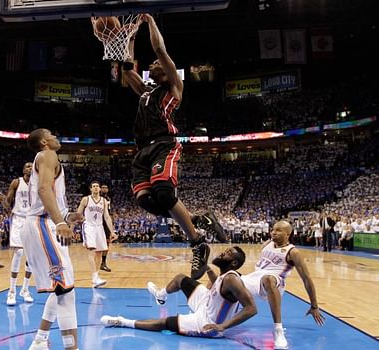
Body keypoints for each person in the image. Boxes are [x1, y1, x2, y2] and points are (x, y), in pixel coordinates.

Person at [122, 13, 226, 280]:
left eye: (157, 63)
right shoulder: (146, 92)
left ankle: (198, 243)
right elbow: (125, 69)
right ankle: (199, 219)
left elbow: (159, 48)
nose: (154, 63)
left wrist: (149, 22)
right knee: (146, 200)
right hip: (142, 151)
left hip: (164, 145)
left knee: (165, 194)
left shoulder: (174, 88)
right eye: (153, 63)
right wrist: (128, 38)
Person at [100, 246, 257, 338]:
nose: (223, 252)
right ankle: (161, 295)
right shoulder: (225, 277)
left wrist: (223, 327)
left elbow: (251, 308)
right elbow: (218, 285)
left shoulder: (232, 279)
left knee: (165, 323)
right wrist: (207, 268)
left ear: (234, 262)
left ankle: (122, 322)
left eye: (228, 253)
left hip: (207, 322)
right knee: (181, 278)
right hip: (207, 303)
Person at [22, 128, 83, 350]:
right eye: (52, 134)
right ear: (44, 142)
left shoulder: (44, 158)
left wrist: (67, 216)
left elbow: (49, 196)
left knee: (62, 288)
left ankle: (40, 340)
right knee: (66, 294)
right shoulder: (48, 155)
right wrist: (60, 223)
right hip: (42, 224)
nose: (56, 136)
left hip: (42, 223)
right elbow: (43, 190)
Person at [241, 220, 325, 350]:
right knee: (226, 278)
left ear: (287, 234)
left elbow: (307, 279)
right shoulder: (267, 243)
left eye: (278, 230)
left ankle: (278, 330)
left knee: (268, 278)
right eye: (273, 229)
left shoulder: (293, 252)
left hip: (276, 281)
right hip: (256, 278)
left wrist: (314, 305)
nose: (273, 232)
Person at [4, 162, 35, 306]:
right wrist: (7, 206)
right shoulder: (17, 182)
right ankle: (11, 291)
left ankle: (25, 289)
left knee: (30, 257)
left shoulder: (37, 184)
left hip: (31, 220)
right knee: (18, 253)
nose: (30, 168)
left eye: (32, 166)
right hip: (18, 219)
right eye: (27, 166)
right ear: (23, 169)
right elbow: (7, 200)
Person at [77, 181, 116, 288]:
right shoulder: (86, 199)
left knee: (99, 253)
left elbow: (107, 217)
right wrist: (75, 224)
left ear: (99, 189)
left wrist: (112, 231)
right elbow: (78, 213)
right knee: (92, 250)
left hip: (99, 227)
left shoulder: (104, 201)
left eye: (97, 186)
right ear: (90, 189)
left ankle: (96, 277)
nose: (95, 188)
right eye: (93, 186)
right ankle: (94, 277)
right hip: (88, 226)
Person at [100, 183, 116, 272]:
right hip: (98, 221)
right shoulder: (97, 198)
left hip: (106, 221)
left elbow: (109, 211)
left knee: (107, 242)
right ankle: (98, 263)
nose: (104, 189)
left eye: (106, 187)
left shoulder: (108, 198)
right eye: (102, 187)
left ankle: (103, 263)